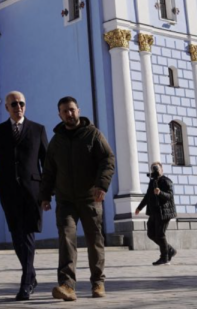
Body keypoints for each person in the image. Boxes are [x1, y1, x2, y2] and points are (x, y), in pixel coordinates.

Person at [40, 96, 115, 301]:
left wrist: (101, 185)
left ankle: (98, 283)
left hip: (90, 198)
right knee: (66, 239)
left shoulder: (93, 135)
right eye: (64, 111)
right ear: (59, 114)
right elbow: (49, 171)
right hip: (65, 200)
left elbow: (108, 160)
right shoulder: (57, 141)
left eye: (72, 110)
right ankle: (67, 286)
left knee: (94, 241)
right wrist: (45, 195)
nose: (69, 114)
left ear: (78, 111)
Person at [0, 91, 48, 301]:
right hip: (7, 189)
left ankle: (26, 283)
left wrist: (48, 192)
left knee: (28, 233)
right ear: (7, 108)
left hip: (33, 190)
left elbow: (46, 163)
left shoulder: (38, 130)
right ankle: (32, 274)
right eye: (14, 104)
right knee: (16, 235)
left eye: (22, 104)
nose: (18, 107)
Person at [135, 162, 177, 265]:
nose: (155, 171)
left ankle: (164, 258)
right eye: (153, 169)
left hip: (164, 212)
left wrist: (160, 193)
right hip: (154, 212)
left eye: (156, 168)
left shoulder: (166, 181)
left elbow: (169, 196)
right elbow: (147, 196)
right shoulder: (152, 182)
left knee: (160, 235)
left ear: (161, 169)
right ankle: (169, 250)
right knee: (151, 234)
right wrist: (139, 208)